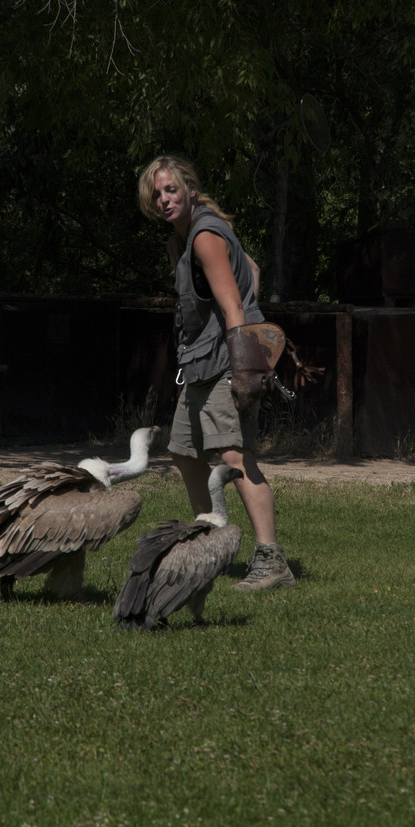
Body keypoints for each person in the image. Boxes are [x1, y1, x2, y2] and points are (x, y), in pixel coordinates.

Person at [138, 155, 296, 591]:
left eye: (171, 190)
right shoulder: (192, 234)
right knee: (185, 452)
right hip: (201, 364)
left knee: (233, 455)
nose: (164, 200)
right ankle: (211, 542)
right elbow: (253, 272)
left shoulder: (204, 235)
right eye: (156, 194)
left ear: (189, 189)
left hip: (225, 364)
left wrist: (243, 369)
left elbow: (232, 307)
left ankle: (271, 560)